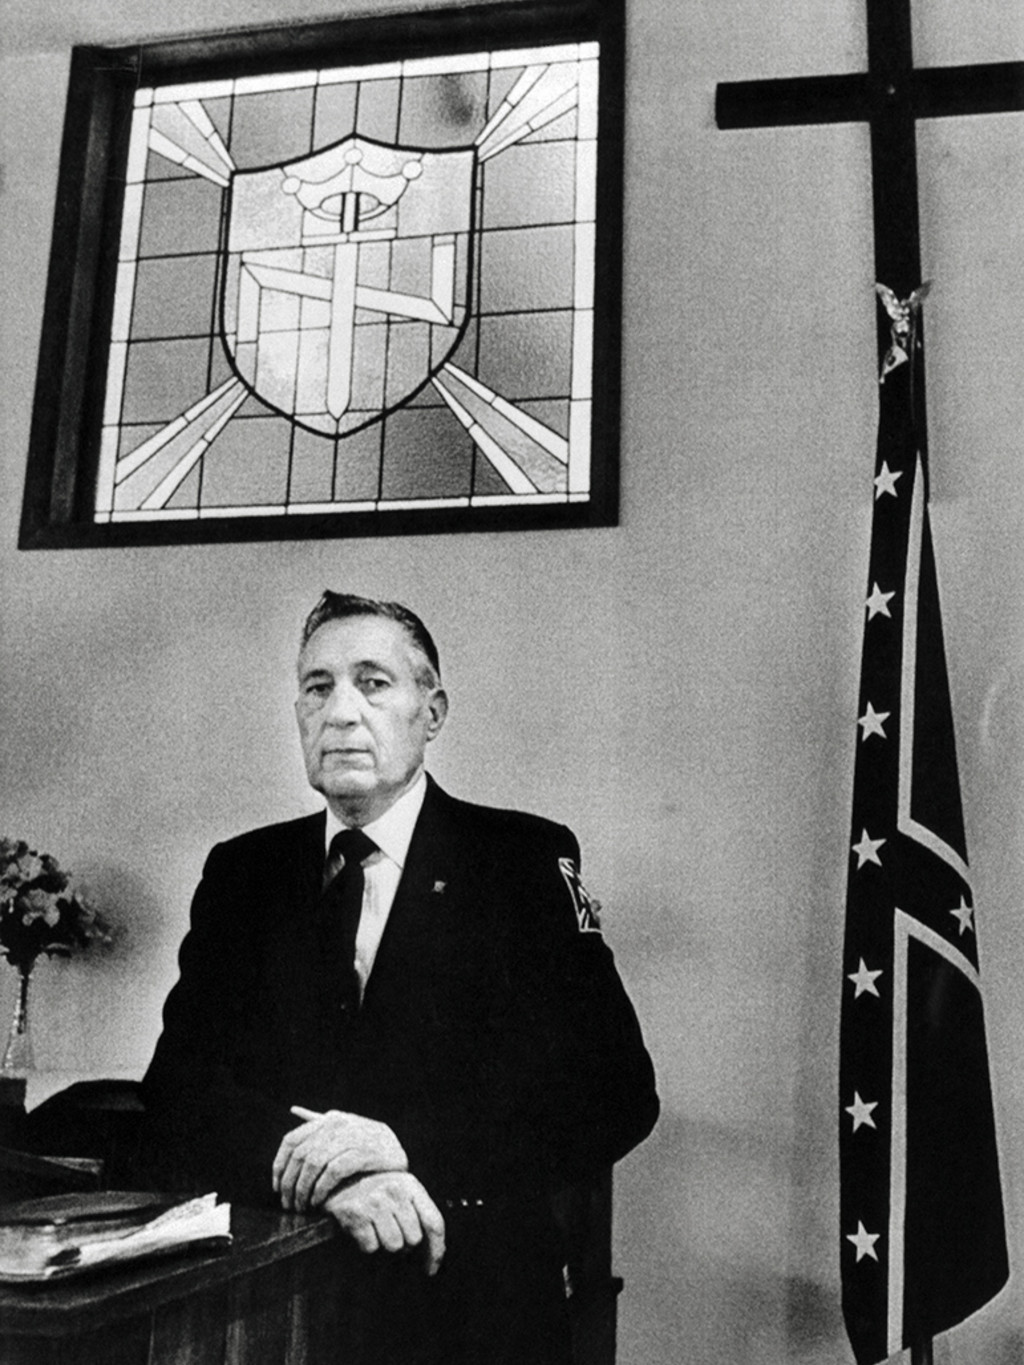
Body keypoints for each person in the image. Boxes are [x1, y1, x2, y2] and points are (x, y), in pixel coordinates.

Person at [142, 591, 658, 1365]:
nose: (342, 712)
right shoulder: (245, 871)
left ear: (433, 710)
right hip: (274, 1304)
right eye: (318, 687)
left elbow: (613, 1093)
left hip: (469, 1298)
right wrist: (329, 1179)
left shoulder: (517, 861)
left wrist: (401, 1145)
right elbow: (178, 1091)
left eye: (373, 682)